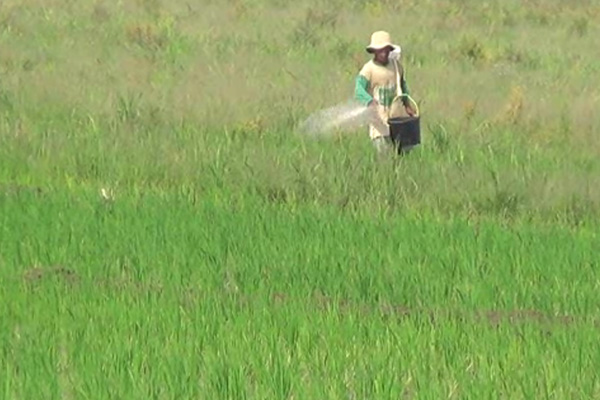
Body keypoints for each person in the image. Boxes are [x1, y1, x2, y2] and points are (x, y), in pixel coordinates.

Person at [354, 31, 416, 153]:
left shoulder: (397, 66)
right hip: (379, 124)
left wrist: (408, 105)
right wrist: (369, 101)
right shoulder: (369, 69)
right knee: (384, 157)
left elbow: (402, 86)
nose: (383, 52)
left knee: (404, 156)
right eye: (380, 49)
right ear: (374, 51)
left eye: (386, 49)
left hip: (398, 120)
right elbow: (358, 89)